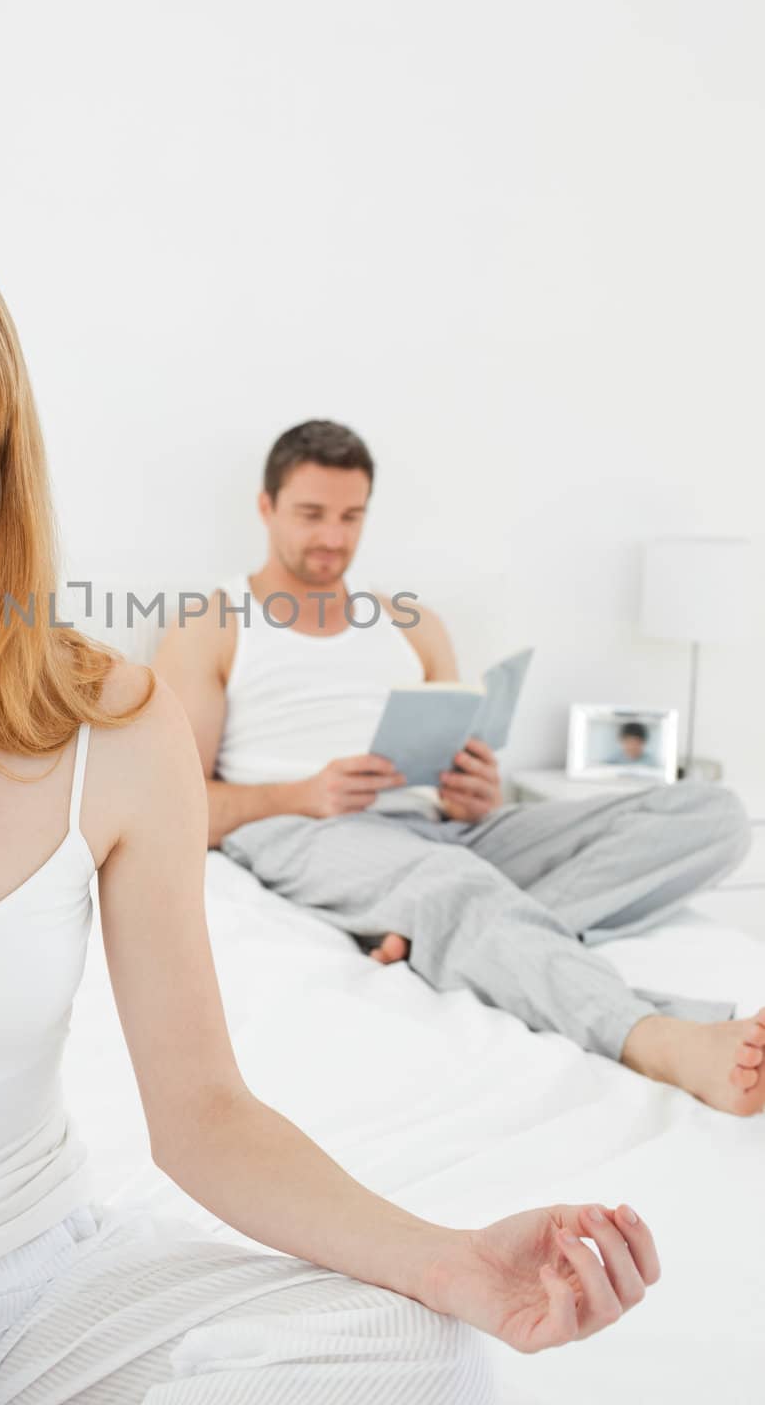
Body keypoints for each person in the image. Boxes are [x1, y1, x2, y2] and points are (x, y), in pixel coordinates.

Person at [0, 214, 661, 1405]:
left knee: (418, 1348)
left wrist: (454, 1263)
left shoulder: (111, 724)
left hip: (48, 1295)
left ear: (0, 453)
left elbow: (205, 1113)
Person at [153, 419, 765, 1121]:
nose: (332, 537)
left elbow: (461, 753)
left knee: (709, 814)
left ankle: (428, 945)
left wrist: (477, 794)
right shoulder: (213, 623)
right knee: (456, 884)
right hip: (309, 828)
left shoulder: (410, 622)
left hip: (442, 829)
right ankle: (658, 1036)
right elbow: (174, 805)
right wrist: (306, 792)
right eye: (311, 514)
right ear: (267, 509)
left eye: (351, 517)